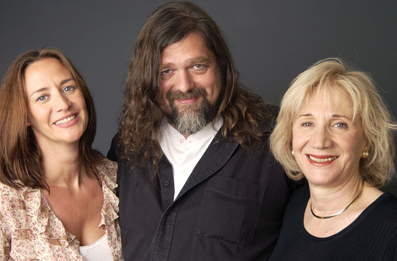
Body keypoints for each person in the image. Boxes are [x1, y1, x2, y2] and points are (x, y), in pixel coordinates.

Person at [107, 1, 295, 260]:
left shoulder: (275, 136)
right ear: (147, 78)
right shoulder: (126, 148)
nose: (184, 85)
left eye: (198, 66)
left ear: (221, 67)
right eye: (166, 71)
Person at [0, 48, 123, 260]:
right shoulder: (5, 200)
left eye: (68, 88)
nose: (63, 104)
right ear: (25, 116)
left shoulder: (117, 179)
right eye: (42, 97)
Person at [269, 58, 397, 260]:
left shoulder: (391, 228)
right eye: (307, 123)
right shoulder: (295, 205)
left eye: (339, 125)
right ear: (290, 135)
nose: (320, 142)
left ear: (367, 140)